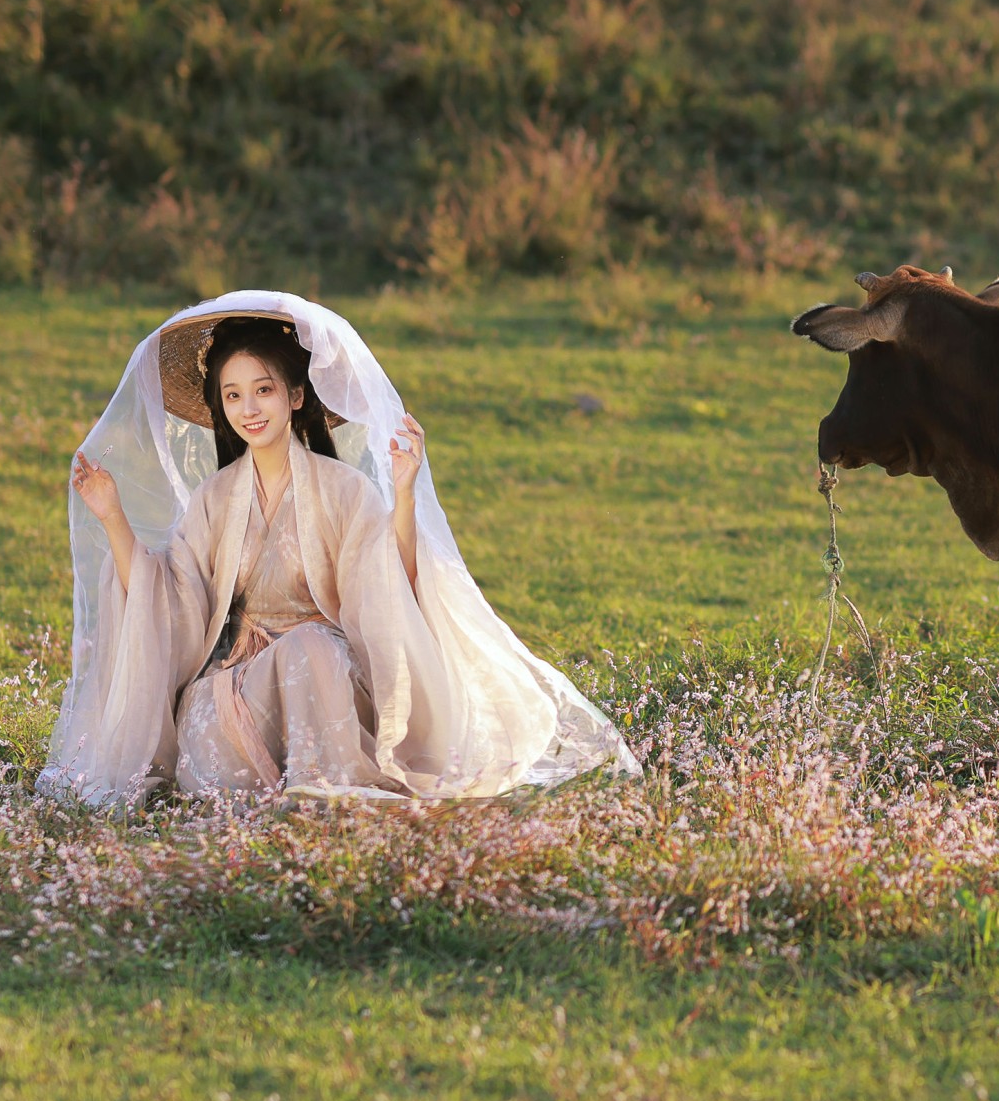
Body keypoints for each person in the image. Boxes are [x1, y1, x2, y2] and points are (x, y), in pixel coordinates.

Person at [39, 291, 634, 805]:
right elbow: (170, 600)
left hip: (326, 680)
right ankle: (269, 775)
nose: (250, 409)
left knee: (312, 649)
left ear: (296, 396)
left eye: (264, 390)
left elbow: (389, 582)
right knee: (215, 719)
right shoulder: (213, 500)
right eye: (234, 395)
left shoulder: (345, 490)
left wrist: (404, 493)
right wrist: (113, 516)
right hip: (239, 685)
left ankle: (325, 780)